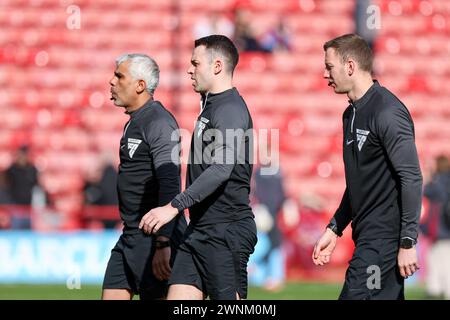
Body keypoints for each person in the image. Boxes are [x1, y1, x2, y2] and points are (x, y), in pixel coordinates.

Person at [139, 35, 257, 300]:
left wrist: (173, 206)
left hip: (226, 231)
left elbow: (221, 168)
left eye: (195, 63)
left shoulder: (229, 108)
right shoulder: (210, 105)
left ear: (216, 66)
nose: (189, 69)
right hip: (200, 230)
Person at [312, 34, 423, 300]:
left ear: (349, 66)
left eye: (329, 66)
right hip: (368, 240)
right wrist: (335, 227)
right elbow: (359, 183)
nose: (325, 73)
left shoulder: (387, 111)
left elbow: (411, 177)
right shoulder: (350, 114)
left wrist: (408, 241)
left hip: (381, 245)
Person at [102, 53, 187, 300]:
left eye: (119, 76)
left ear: (140, 85)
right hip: (130, 235)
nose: (112, 81)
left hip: (154, 239)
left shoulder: (159, 122)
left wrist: (163, 242)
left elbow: (170, 181)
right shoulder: (135, 120)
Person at [421, 155, 450, 298]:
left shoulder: (439, 182)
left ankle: (436, 289)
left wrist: (427, 177)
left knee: (438, 259)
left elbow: (424, 191)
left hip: (441, 229)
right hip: (446, 229)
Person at [5, 145, 40, 229]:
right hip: (15, 205)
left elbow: (36, 186)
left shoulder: (32, 169)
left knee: (28, 229)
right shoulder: (11, 170)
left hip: (29, 205)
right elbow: (6, 186)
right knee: (16, 228)